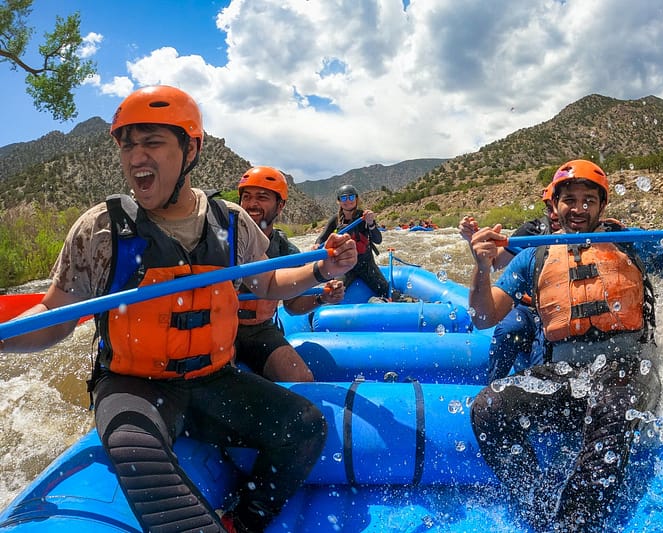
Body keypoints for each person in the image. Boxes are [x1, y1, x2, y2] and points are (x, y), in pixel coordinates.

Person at [0, 85, 357, 533]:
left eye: (152, 142)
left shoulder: (231, 222)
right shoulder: (100, 229)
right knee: (133, 443)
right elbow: (55, 315)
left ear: (191, 148)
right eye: (128, 145)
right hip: (133, 385)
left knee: (305, 425)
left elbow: (268, 282)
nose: (136, 158)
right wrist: (5, 338)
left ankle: (242, 522)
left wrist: (321, 270)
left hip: (216, 379)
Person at [465, 159, 663, 531]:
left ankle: (576, 524)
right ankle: (536, 502)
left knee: (611, 397)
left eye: (589, 200)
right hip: (564, 374)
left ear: (602, 206)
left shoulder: (628, 243)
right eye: (570, 199)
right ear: (555, 206)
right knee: (489, 406)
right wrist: (480, 266)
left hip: (630, 369)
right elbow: (484, 317)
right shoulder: (531, 256)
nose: (579, 208)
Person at [236, 166, 344, 382]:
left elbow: (292, 305)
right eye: (246, 197)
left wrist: (321, 297)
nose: (251, 204)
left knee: (302, 379)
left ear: (281, 205)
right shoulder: (224, 240)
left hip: (260, 330)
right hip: (221, 327)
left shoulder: (287, 252)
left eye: (262, 197)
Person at [459, 183, 561, 381]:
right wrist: (475, 243)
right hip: (530, 308)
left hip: (560, 311)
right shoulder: (532, 231)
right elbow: (494, 262)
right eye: (551, 208)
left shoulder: (603, 233)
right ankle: (493, 385)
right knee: (508, 329)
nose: (555, 214)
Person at [314, 184, 390, 299]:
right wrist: (316, 245)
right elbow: (322, 238)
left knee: (385, 291)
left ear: (356, 199)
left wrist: (371, 223)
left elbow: (378, 240)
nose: (348, 201)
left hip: (366, 264)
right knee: (333, 292)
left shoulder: (364, 216)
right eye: (344, 198)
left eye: (351, 197)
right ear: (338, 201)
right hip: (345, 265)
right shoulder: (335, 219)